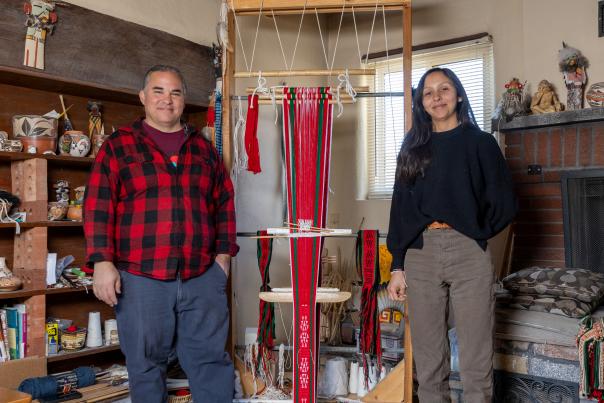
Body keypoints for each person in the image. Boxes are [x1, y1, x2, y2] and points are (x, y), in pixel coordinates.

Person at [84, 65, 239, 402]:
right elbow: (97, 206)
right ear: (143, 97)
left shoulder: (203, 150)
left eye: (175, 92)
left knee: (211, 362)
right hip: (141, 277)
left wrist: (223, 260)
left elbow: (224, 203)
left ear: (183, 100)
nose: (167, 100)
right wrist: (102, 262)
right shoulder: (118, 146)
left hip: (201, 276)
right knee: (145, 365)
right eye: (158, 91)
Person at [387, 67, 517, 402]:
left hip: (468, 251)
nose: (436, 97)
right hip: (420, 252)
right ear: (421, 102)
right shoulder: (413, 145)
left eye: (443, 89)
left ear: (458, 94)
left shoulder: (480, 143)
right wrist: (397, 266)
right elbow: (400, 209)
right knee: (430, 364)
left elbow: (504, 201)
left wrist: (478, 231)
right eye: (428, 92)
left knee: (476, 360)